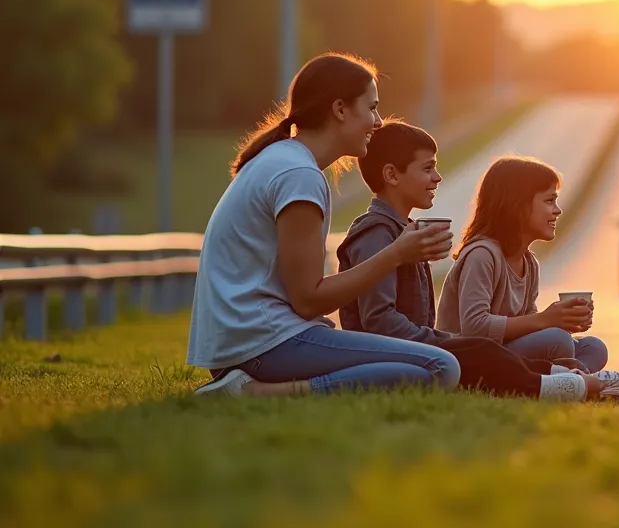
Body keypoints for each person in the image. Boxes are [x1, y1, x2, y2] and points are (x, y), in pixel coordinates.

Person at [187, 52, 461, 397]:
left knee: (426, 365)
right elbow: (308, 300)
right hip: (262, 344)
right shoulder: (298, 175)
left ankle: (255, 386)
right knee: (441, 366)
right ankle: (258, 393)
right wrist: (395, 254)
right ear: (341, 109)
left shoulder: (287, 161)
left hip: (249, 341)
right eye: (372, 107)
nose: (378, 122)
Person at [334, 119, 601, 401]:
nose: (438, 177)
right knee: (487, 351)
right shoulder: (377, 234)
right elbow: (379, 321)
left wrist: (550, 320)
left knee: (588, 347)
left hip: (424, 349)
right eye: (427, 168)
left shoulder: (404, 232)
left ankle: (576, 377)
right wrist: (439, 342)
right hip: (395, 355)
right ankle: (564, 383)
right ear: (392, 175)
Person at [437, 156, 609, 372]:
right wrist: (545, 320)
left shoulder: (529, 262)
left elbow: (529, 326)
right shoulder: (482, 255)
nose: (558, 210)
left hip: (505, 352)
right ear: (517, 206)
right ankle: (568, 377)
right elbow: (474, 326)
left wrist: (561, 320)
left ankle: (569, 376)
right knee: (557, 341)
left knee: (594, 347)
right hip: (469, 358)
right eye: (549, 201)